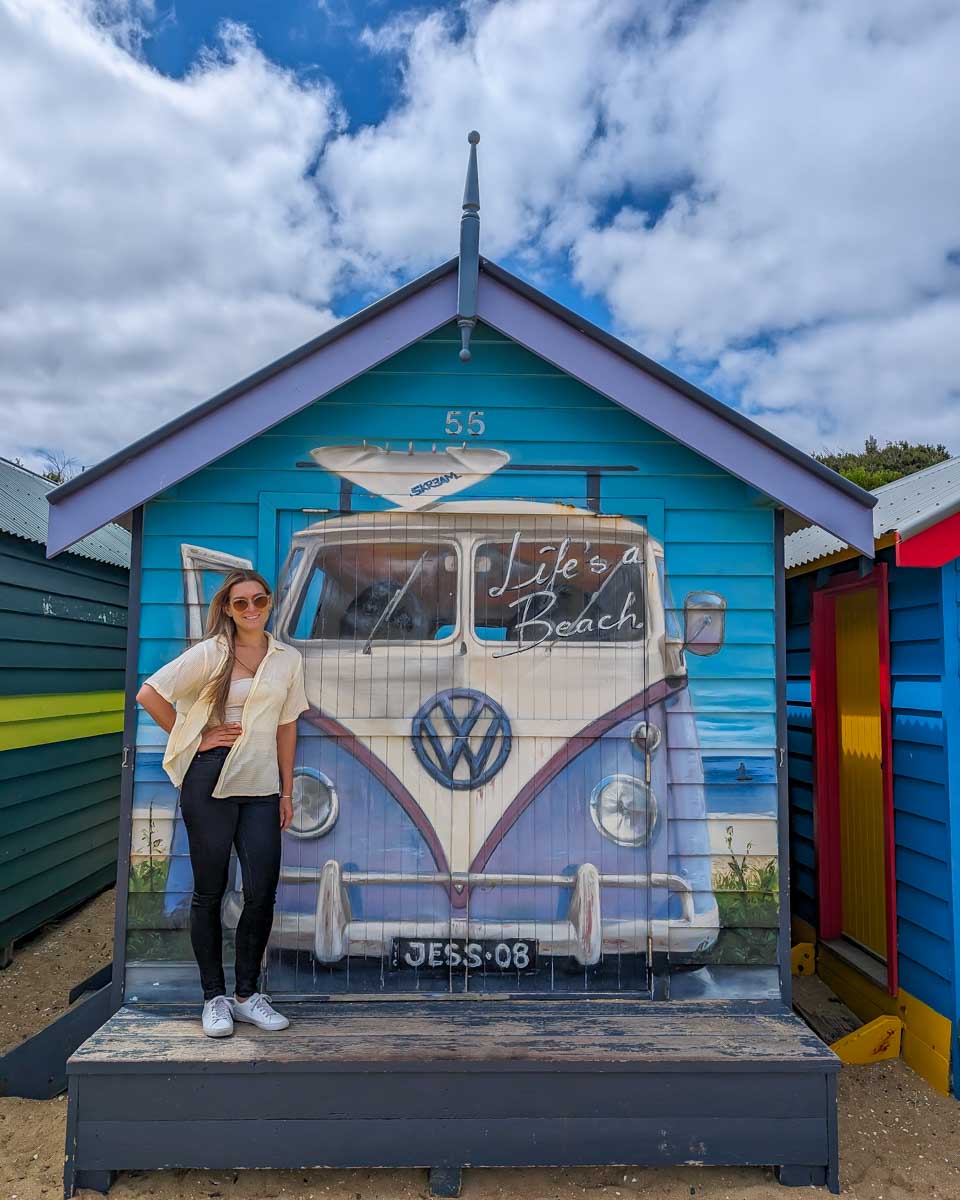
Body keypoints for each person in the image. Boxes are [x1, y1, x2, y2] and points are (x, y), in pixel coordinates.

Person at [136, 569, 308, 1038]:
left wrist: (287, 790)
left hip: (260, 784)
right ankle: (213, 998)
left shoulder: (287, 659)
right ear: (228, 609)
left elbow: (286, 725)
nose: (251, 609)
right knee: (209, 891)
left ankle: (248, 995)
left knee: (261, 891)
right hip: (208, 778)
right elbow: (149, 692)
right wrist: (197, 736)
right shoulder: (213, 653)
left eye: (259, 600)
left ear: (270, 603)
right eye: (240, 603)